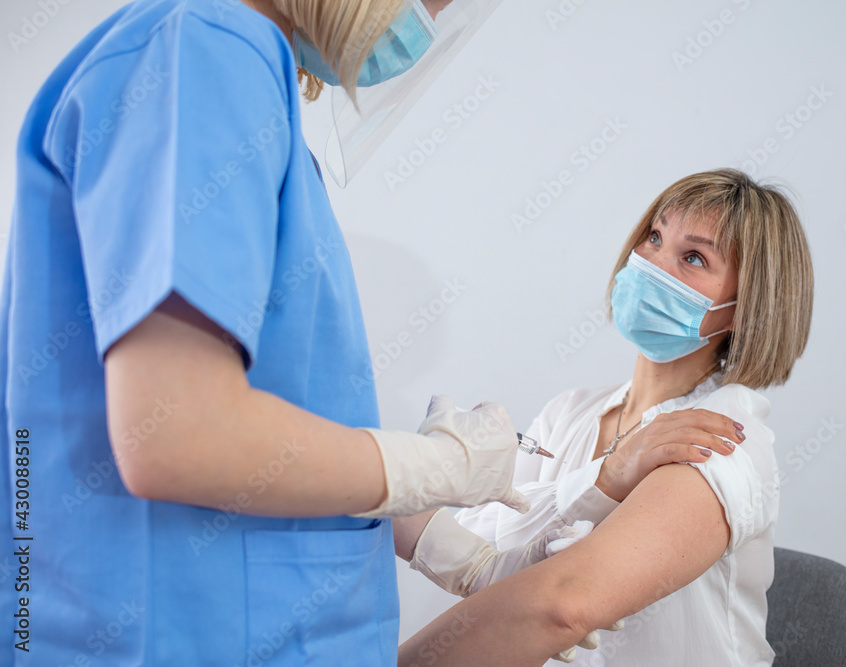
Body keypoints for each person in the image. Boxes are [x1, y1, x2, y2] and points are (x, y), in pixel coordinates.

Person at [0, 1, 528, 664]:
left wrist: (457, 550)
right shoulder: (204, 50)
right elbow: (176, 433)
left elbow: (270, 436)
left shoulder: (227, 72)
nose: (426, 15)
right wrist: (435, 467)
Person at [398, 168, 815, 666]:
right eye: (655, 236)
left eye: (694, 257)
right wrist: (420, 480)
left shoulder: (716, 439)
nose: (652, 263)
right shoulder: (573, 411)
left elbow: (557, 608)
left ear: (745, 307)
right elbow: (490, 559)